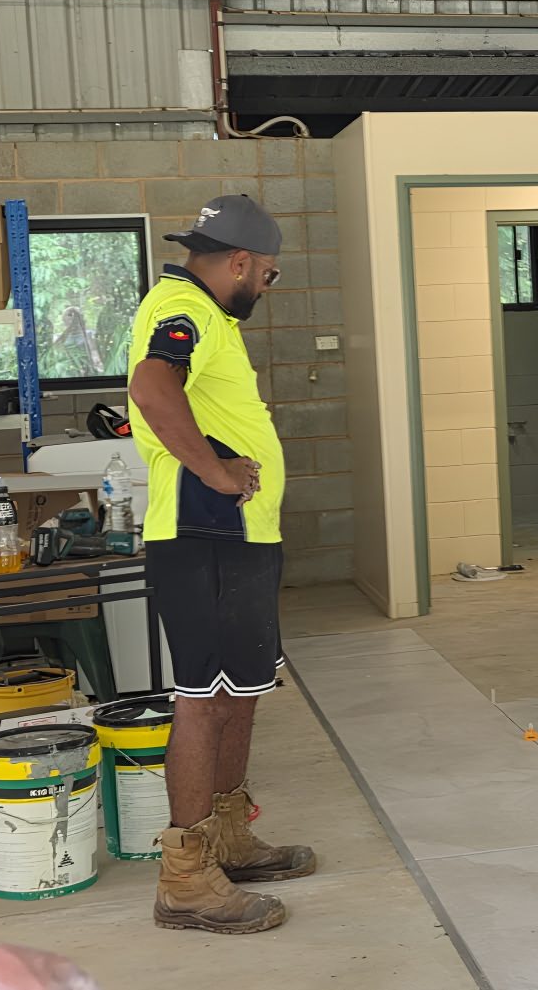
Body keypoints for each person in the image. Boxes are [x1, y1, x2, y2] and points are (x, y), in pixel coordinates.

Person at [128, 195, 316, 934]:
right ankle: (185, 878)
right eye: (266, 275)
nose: (264, 288)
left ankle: (228, 838)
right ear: (240, 262)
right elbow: (151, 386)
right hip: (202, 534)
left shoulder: (208, 316)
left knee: (241, 689)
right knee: (204, 697)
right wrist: (212, 470)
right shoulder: (186, 308)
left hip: (239, 538)